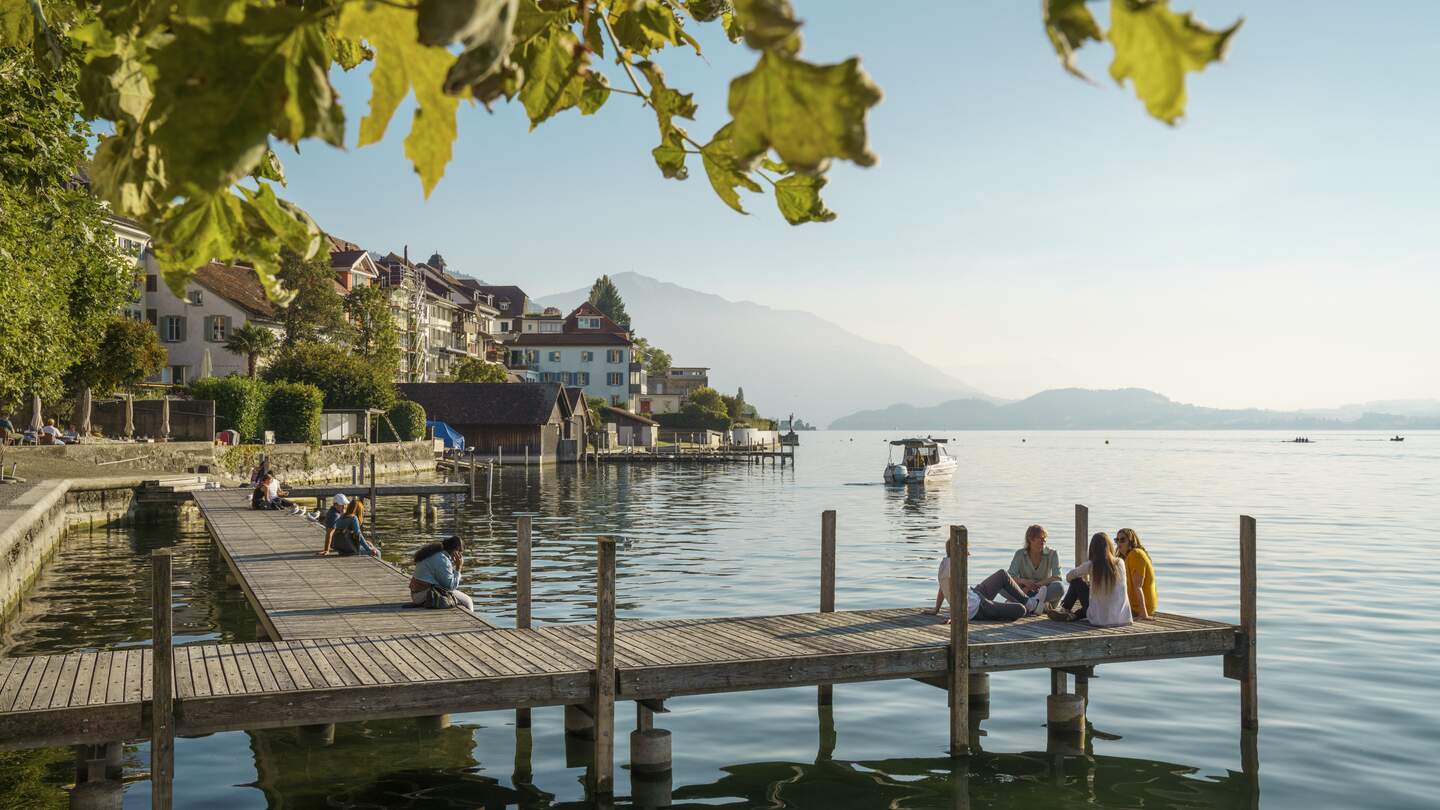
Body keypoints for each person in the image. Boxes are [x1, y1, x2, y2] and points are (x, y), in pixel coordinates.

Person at [925, 549, 1044, 623]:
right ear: (959, 550)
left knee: (1002, 574)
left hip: (975, 594)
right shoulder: (954, 568)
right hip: (978, 608)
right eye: (966, 550)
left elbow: (943, 588)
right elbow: (955, 596)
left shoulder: (945, 564)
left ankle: (1032, 604)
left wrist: (936, 609)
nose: (969, 554)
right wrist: (956, 618)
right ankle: (1026, 606)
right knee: (1020, 610)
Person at [1048, 532, 1133, 627]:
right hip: (1123, 618)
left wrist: (1088, 584)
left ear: (1092, 549)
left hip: (1099, 620)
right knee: (1094, 605)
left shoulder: (1091, 565)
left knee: (1077, 581)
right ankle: (1074, 615)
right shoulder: (1120, 562)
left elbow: (1069, 577)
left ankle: (1065, 609)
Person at [410, 535, 475, 612]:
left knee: (458, 598)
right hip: (425, 595)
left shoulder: (435, 553)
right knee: (468, 601)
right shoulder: (442, 559)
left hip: (417, 594)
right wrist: (458, 567)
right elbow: (451, 587)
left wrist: (452, 565)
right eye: (461, 553)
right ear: (456, 552)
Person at [1008, 524, 1064, 608]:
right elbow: (1010, 577)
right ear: (1030, 539)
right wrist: (1025, 582)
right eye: (1040, 538)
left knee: (1059, 587)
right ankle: (1034, 604)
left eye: (1044, 538)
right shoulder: (1020, 554)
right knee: (1002, 585)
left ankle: (1026, 603)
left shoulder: (1052, 553)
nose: (1044, 540)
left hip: (1045, 593)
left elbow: (1057, 577)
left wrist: (1037, 585)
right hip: (1025, 591)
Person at [1115, 528, 1158, 621]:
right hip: (1133, 606)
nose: (1119, 543)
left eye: (1122, 540)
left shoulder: (1136, 554)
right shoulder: (1128, 557)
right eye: (1116, 540)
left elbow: (1138, 586)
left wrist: (1143, 614)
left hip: (1138, 608)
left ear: (1131, 542)